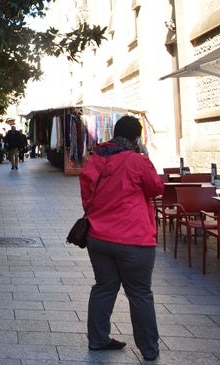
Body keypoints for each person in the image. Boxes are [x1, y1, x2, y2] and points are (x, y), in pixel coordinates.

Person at [79, 116, 163, 362]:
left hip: (98, 237)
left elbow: (86, 193)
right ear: (136, 137)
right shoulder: (138, 161)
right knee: (139, 293)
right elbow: (156, 188)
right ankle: (149, 349)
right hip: (133, 238)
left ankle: (98, 339)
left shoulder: (96, 158)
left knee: (104, 288)